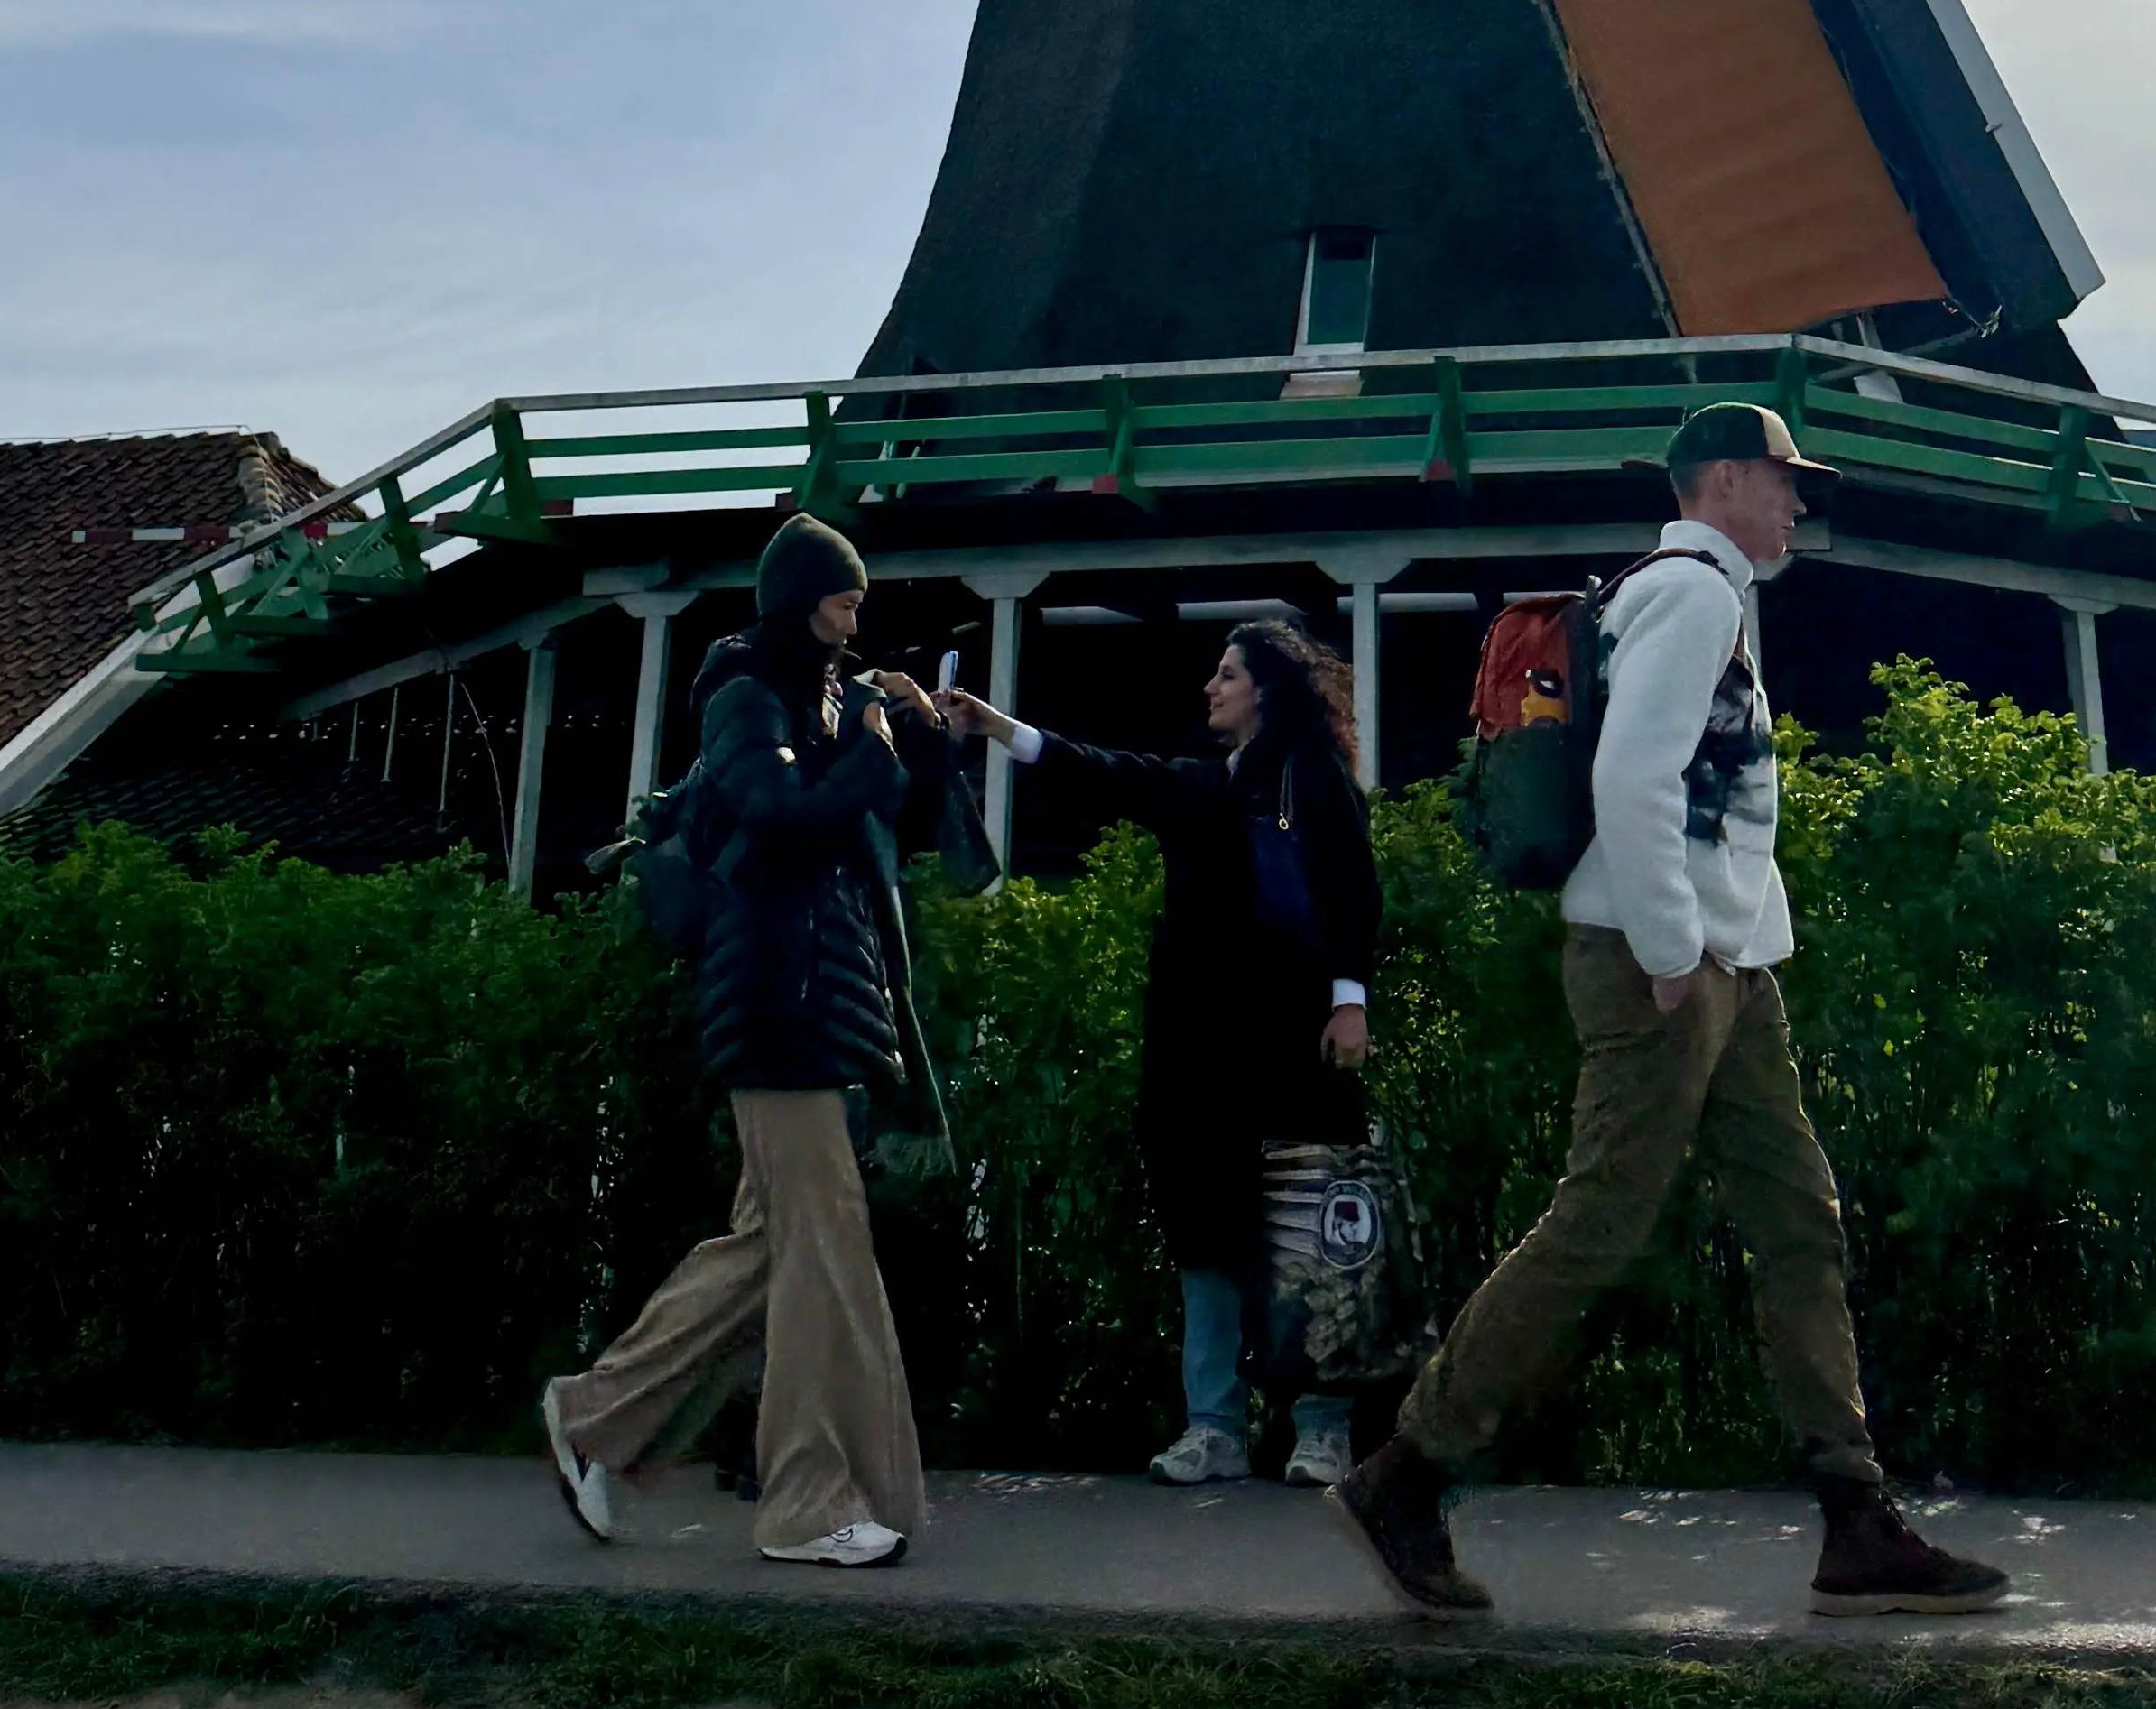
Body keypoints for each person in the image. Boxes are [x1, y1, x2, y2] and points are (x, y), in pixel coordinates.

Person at [1329, 403, 2010, 1622]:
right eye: (1787, 482)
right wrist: (1667, 949)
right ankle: (1406, 1468)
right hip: (1670, 960)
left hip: (1729, 964)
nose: (1800, 504)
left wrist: (1722, 952)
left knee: (1801, 1224)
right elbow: (1633, 776)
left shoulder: (1696, 594)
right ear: (1728, 481)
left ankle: (1855, 1517)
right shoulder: (1693, 594)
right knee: (1599, 1221)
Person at [541, 514, 956, 1572]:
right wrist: (867, 758)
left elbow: (879, 835)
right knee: (826, 1252)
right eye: (844, 597)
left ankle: (593, 1417)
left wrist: (915, 744)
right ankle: (807, 1504)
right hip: (776, 1006)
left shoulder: (827, 703)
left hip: (820, 1001)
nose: (858, 615)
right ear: (798, 599)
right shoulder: (743, 697)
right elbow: (776, 815)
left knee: (768, 1250)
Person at [942, 614, 1378, 1487]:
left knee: (1309, 1231)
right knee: (1206, 1229)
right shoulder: (1201, 788)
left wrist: (1348, 1000)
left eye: (1227, 674)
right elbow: (1100, 769)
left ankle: (1322, 1429)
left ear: (1266, 688)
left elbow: (1353, 892)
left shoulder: (1316, 780)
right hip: (1199, 1046)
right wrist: (994, 726)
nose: (1211, 688)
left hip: (1296, 1043)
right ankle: (1214, 1426)